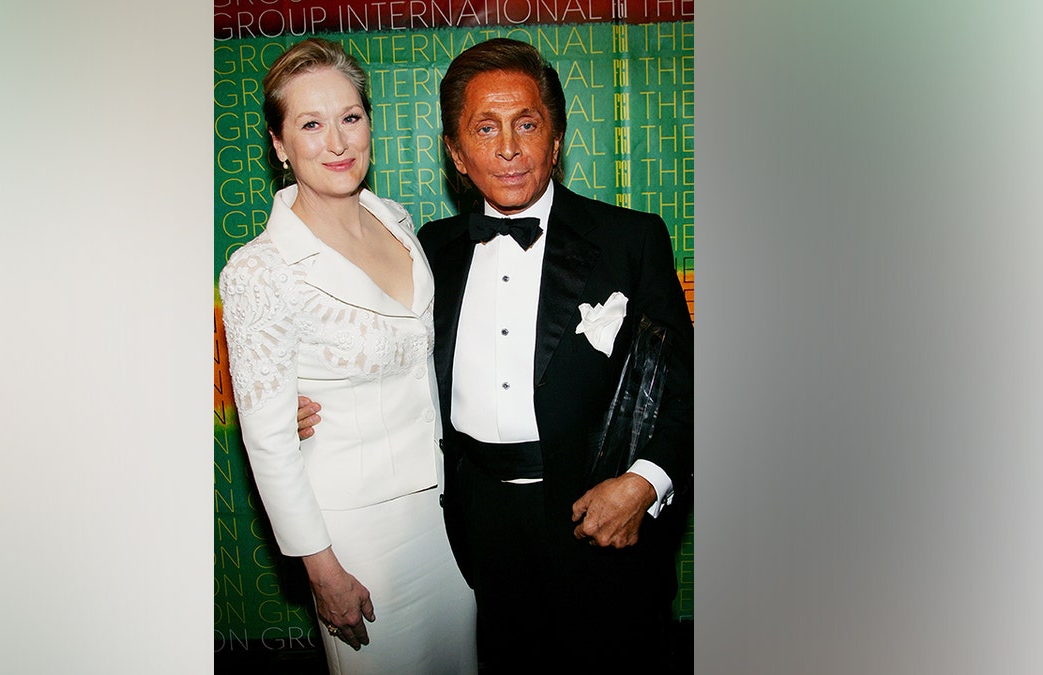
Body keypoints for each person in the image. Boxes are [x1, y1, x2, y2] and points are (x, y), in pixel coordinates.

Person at [303, 37, 693, 671]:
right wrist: (300, 402)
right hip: (473, 526)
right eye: (485, 128)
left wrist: (644, 483)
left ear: (557, 138)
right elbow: (383, 354)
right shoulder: (429, 248)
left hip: (599, 518)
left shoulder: (631, 239)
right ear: (457, 153)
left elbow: (688, 387)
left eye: (527, 123)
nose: (509, 147)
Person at [217, 37, 476, 675]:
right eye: (310, 123)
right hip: (356, 534)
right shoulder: (260, 270)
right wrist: (320, 566)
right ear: (279, 144)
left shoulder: (396, 220)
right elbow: (270, 441)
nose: (336, 142)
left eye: (350, 118)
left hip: (448, 514)